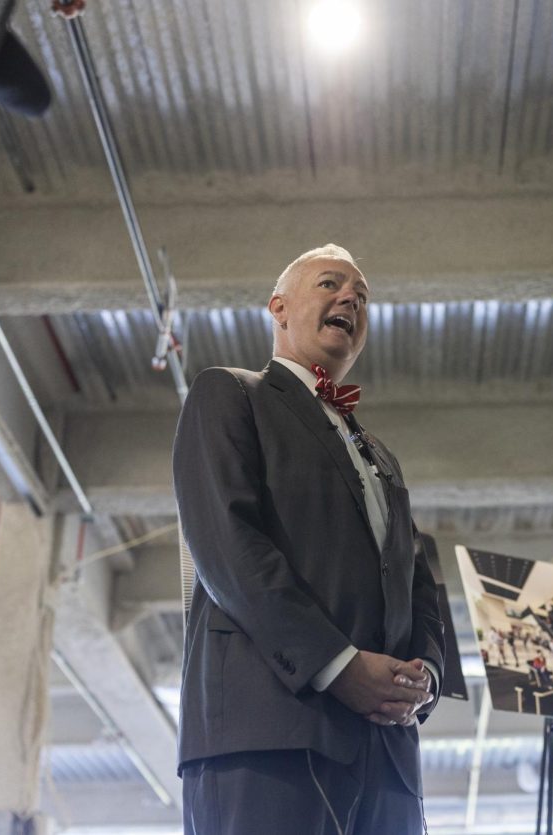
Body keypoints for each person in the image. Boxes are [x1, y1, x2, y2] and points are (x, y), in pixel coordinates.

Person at [173, 244, 446, 834]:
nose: (351, 297)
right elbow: (229, 546)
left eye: (362, 296)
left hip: (388, 757)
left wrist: (427, 674)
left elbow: (417, 576)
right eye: (330, 284)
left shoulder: (382, 457)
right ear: (279, 307)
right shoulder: (230, 394)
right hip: (270, 733)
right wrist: (339, 666)